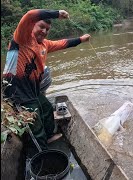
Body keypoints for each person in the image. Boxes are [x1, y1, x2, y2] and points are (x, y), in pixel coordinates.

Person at [2, 9, 91, 152]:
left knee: (47, 109)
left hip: (33, 91)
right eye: (41, 26)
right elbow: (30, 15)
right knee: (36, 127)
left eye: (47, 29)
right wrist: (56, 14)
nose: (44, 31)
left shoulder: (44, 44)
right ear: (32, 26)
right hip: (18, 93)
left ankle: (49, 136)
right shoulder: (21, 38)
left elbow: (63, 43)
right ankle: (42, 155)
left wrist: (81, 39)